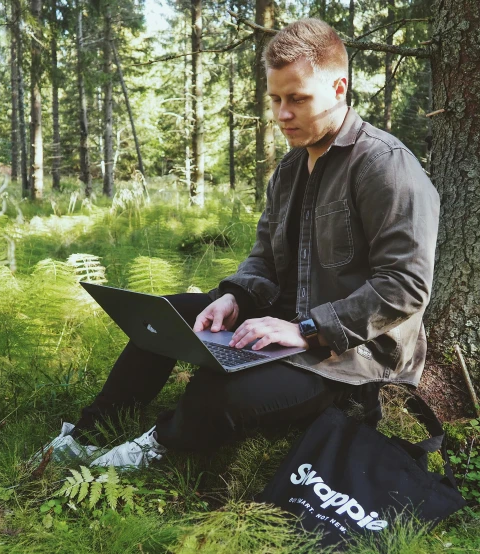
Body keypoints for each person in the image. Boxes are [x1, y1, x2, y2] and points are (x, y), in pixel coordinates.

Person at [35, 18, 440, 469]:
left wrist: (306, 330)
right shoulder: (289, 170)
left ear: (340, 87)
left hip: (350, 357)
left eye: (298, 99)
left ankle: (159, 445)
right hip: (284, 326)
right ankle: (91, 432)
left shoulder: (385, 166)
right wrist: (235, 296)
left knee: (218, 393)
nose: (282, 115)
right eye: (276, 99)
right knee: (167, 318)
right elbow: (265, 257)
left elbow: (405, 285)